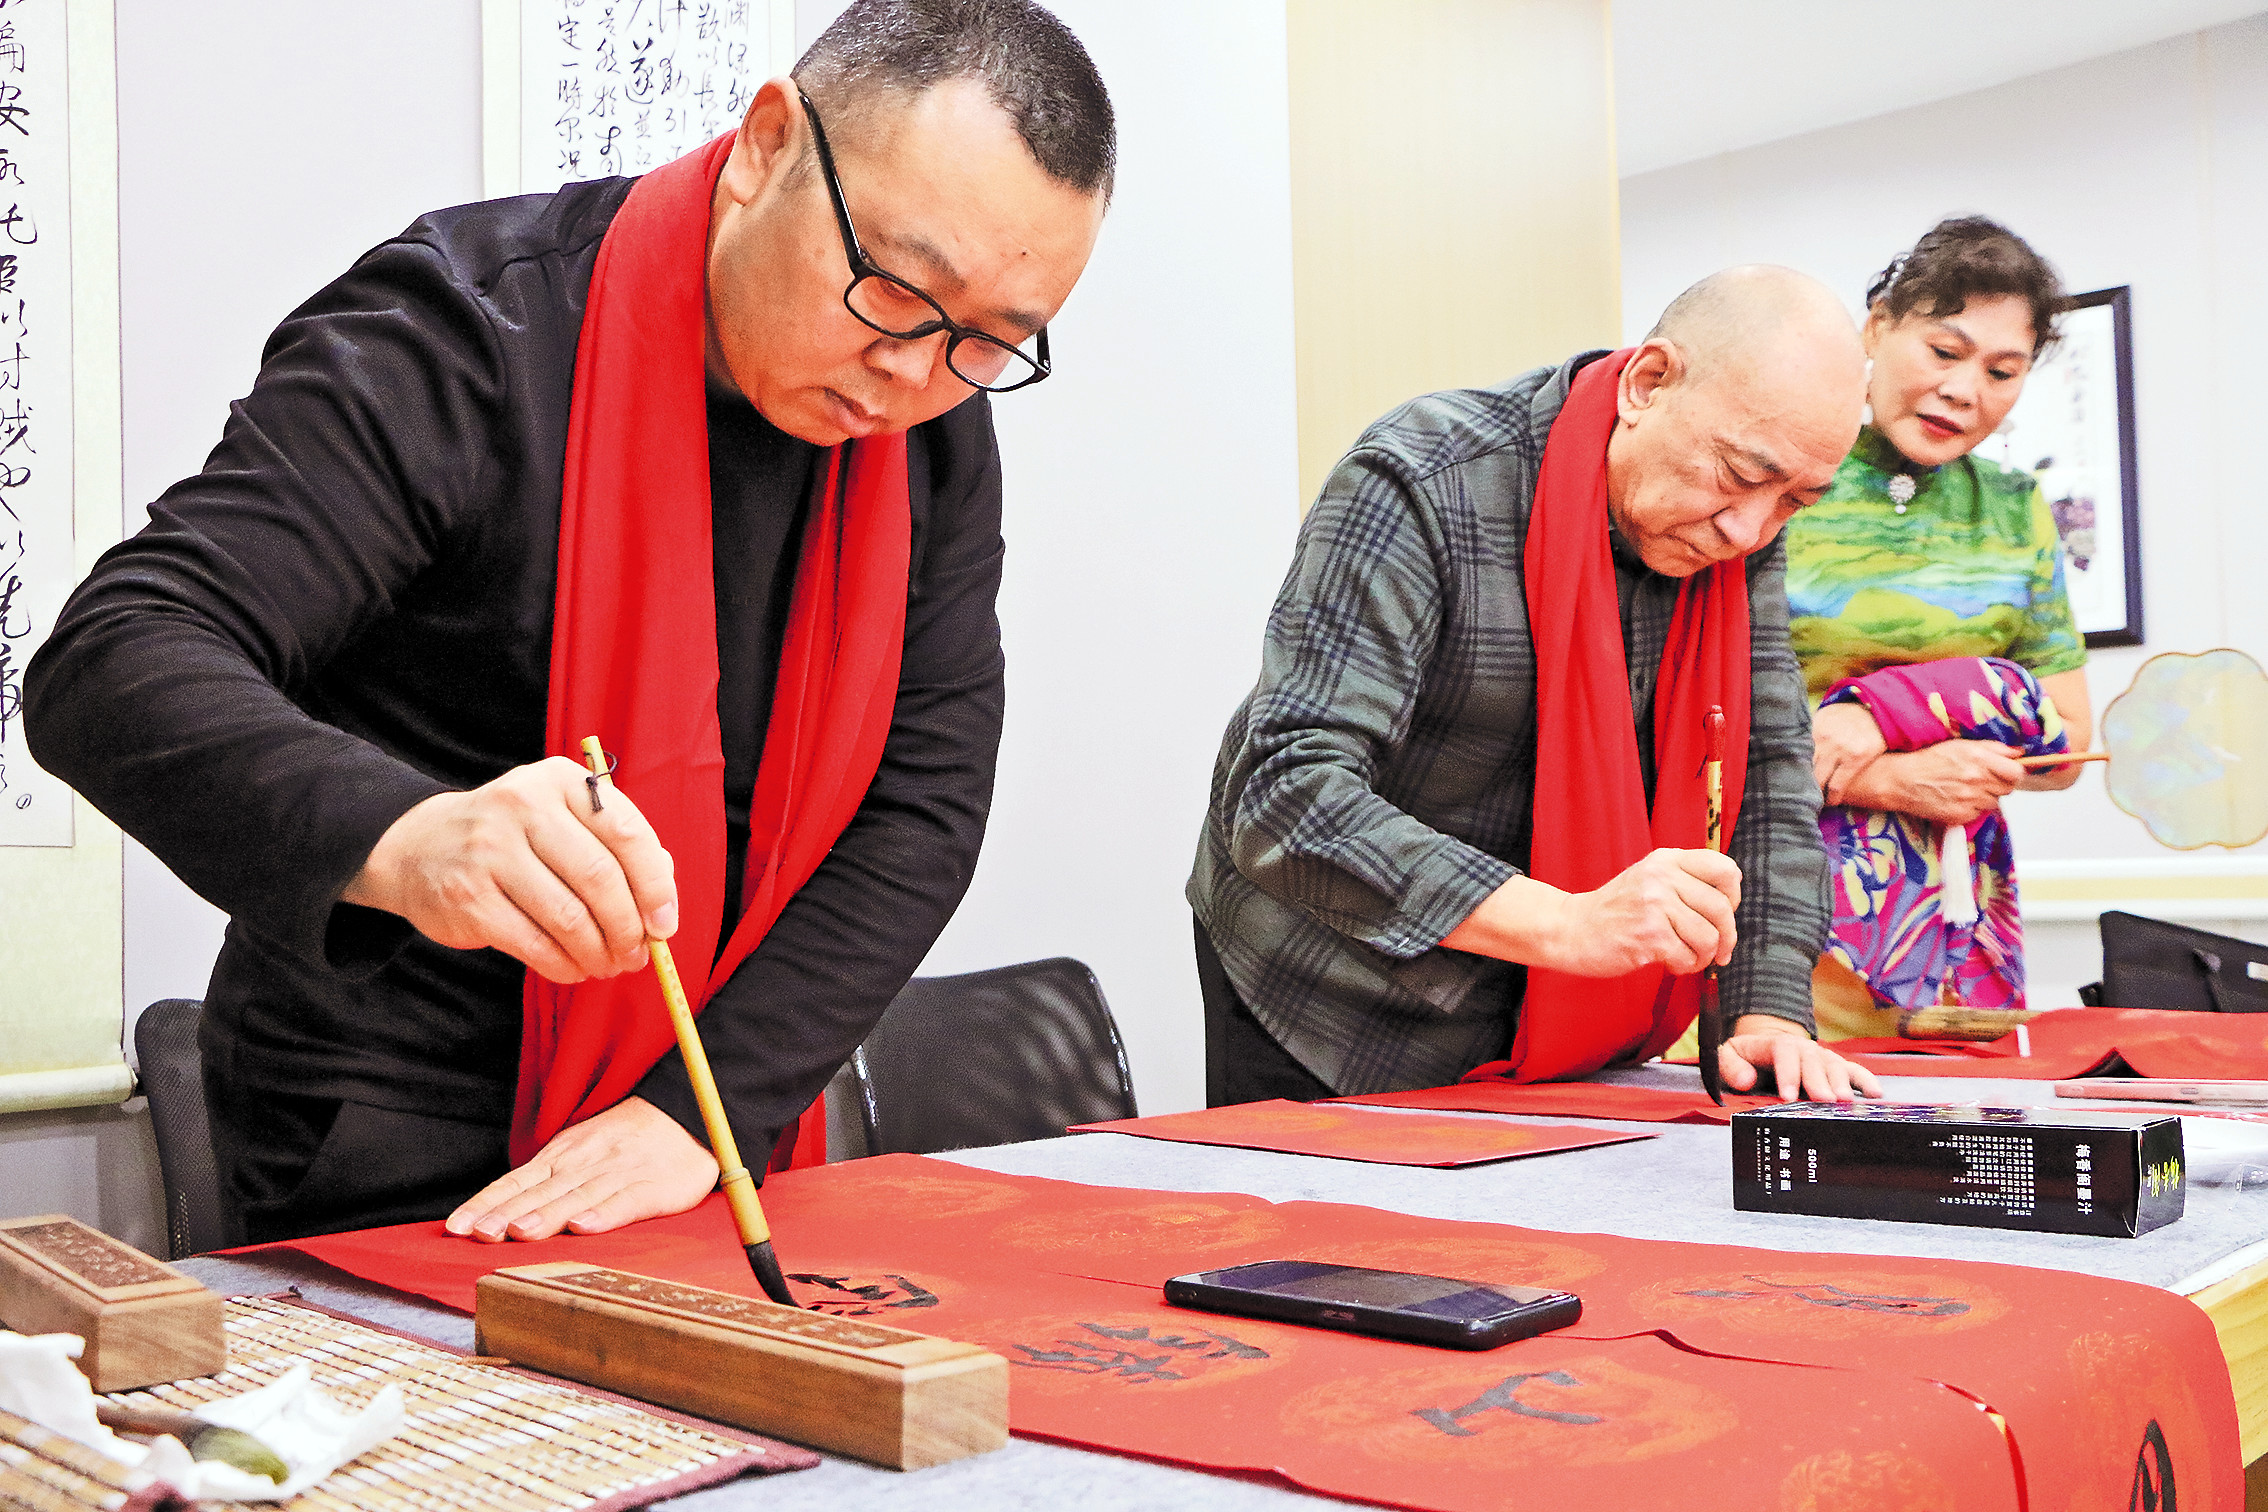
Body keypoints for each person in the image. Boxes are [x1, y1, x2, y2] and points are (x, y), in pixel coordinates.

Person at [25, 0, 1113, 1244]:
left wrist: (700, 1114)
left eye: (991, 342)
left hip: (700, 1122)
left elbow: (922, 806)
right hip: (386, 1124)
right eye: (895, 289)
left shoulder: (928, 437)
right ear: (766, 146)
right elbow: (115, 656)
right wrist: (410, 837)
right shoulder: (465, 335)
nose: (914, 373)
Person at [1189, 266, 1884, 1108]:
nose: (1748, 529)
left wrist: (1768, 1013)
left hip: (1560, 1013)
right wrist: (1572, 924)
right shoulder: (1425, 479)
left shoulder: (1740, 532)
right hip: (1333, 993)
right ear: (1647, 383)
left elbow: (1766, 771)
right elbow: (1288, 795)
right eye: (1737, 474)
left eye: (1795, 501)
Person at [1787, 217, 2091, 1035]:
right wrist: (1886, 780)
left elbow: (2066, 746)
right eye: (1945, 351)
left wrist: (1895, 712)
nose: (1965, 390)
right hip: (1774, 896)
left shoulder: (2015, 510)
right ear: (1877, 327)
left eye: (2002, 371)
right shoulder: (1782, 481)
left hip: (1954, 915)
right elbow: (1687, 723)